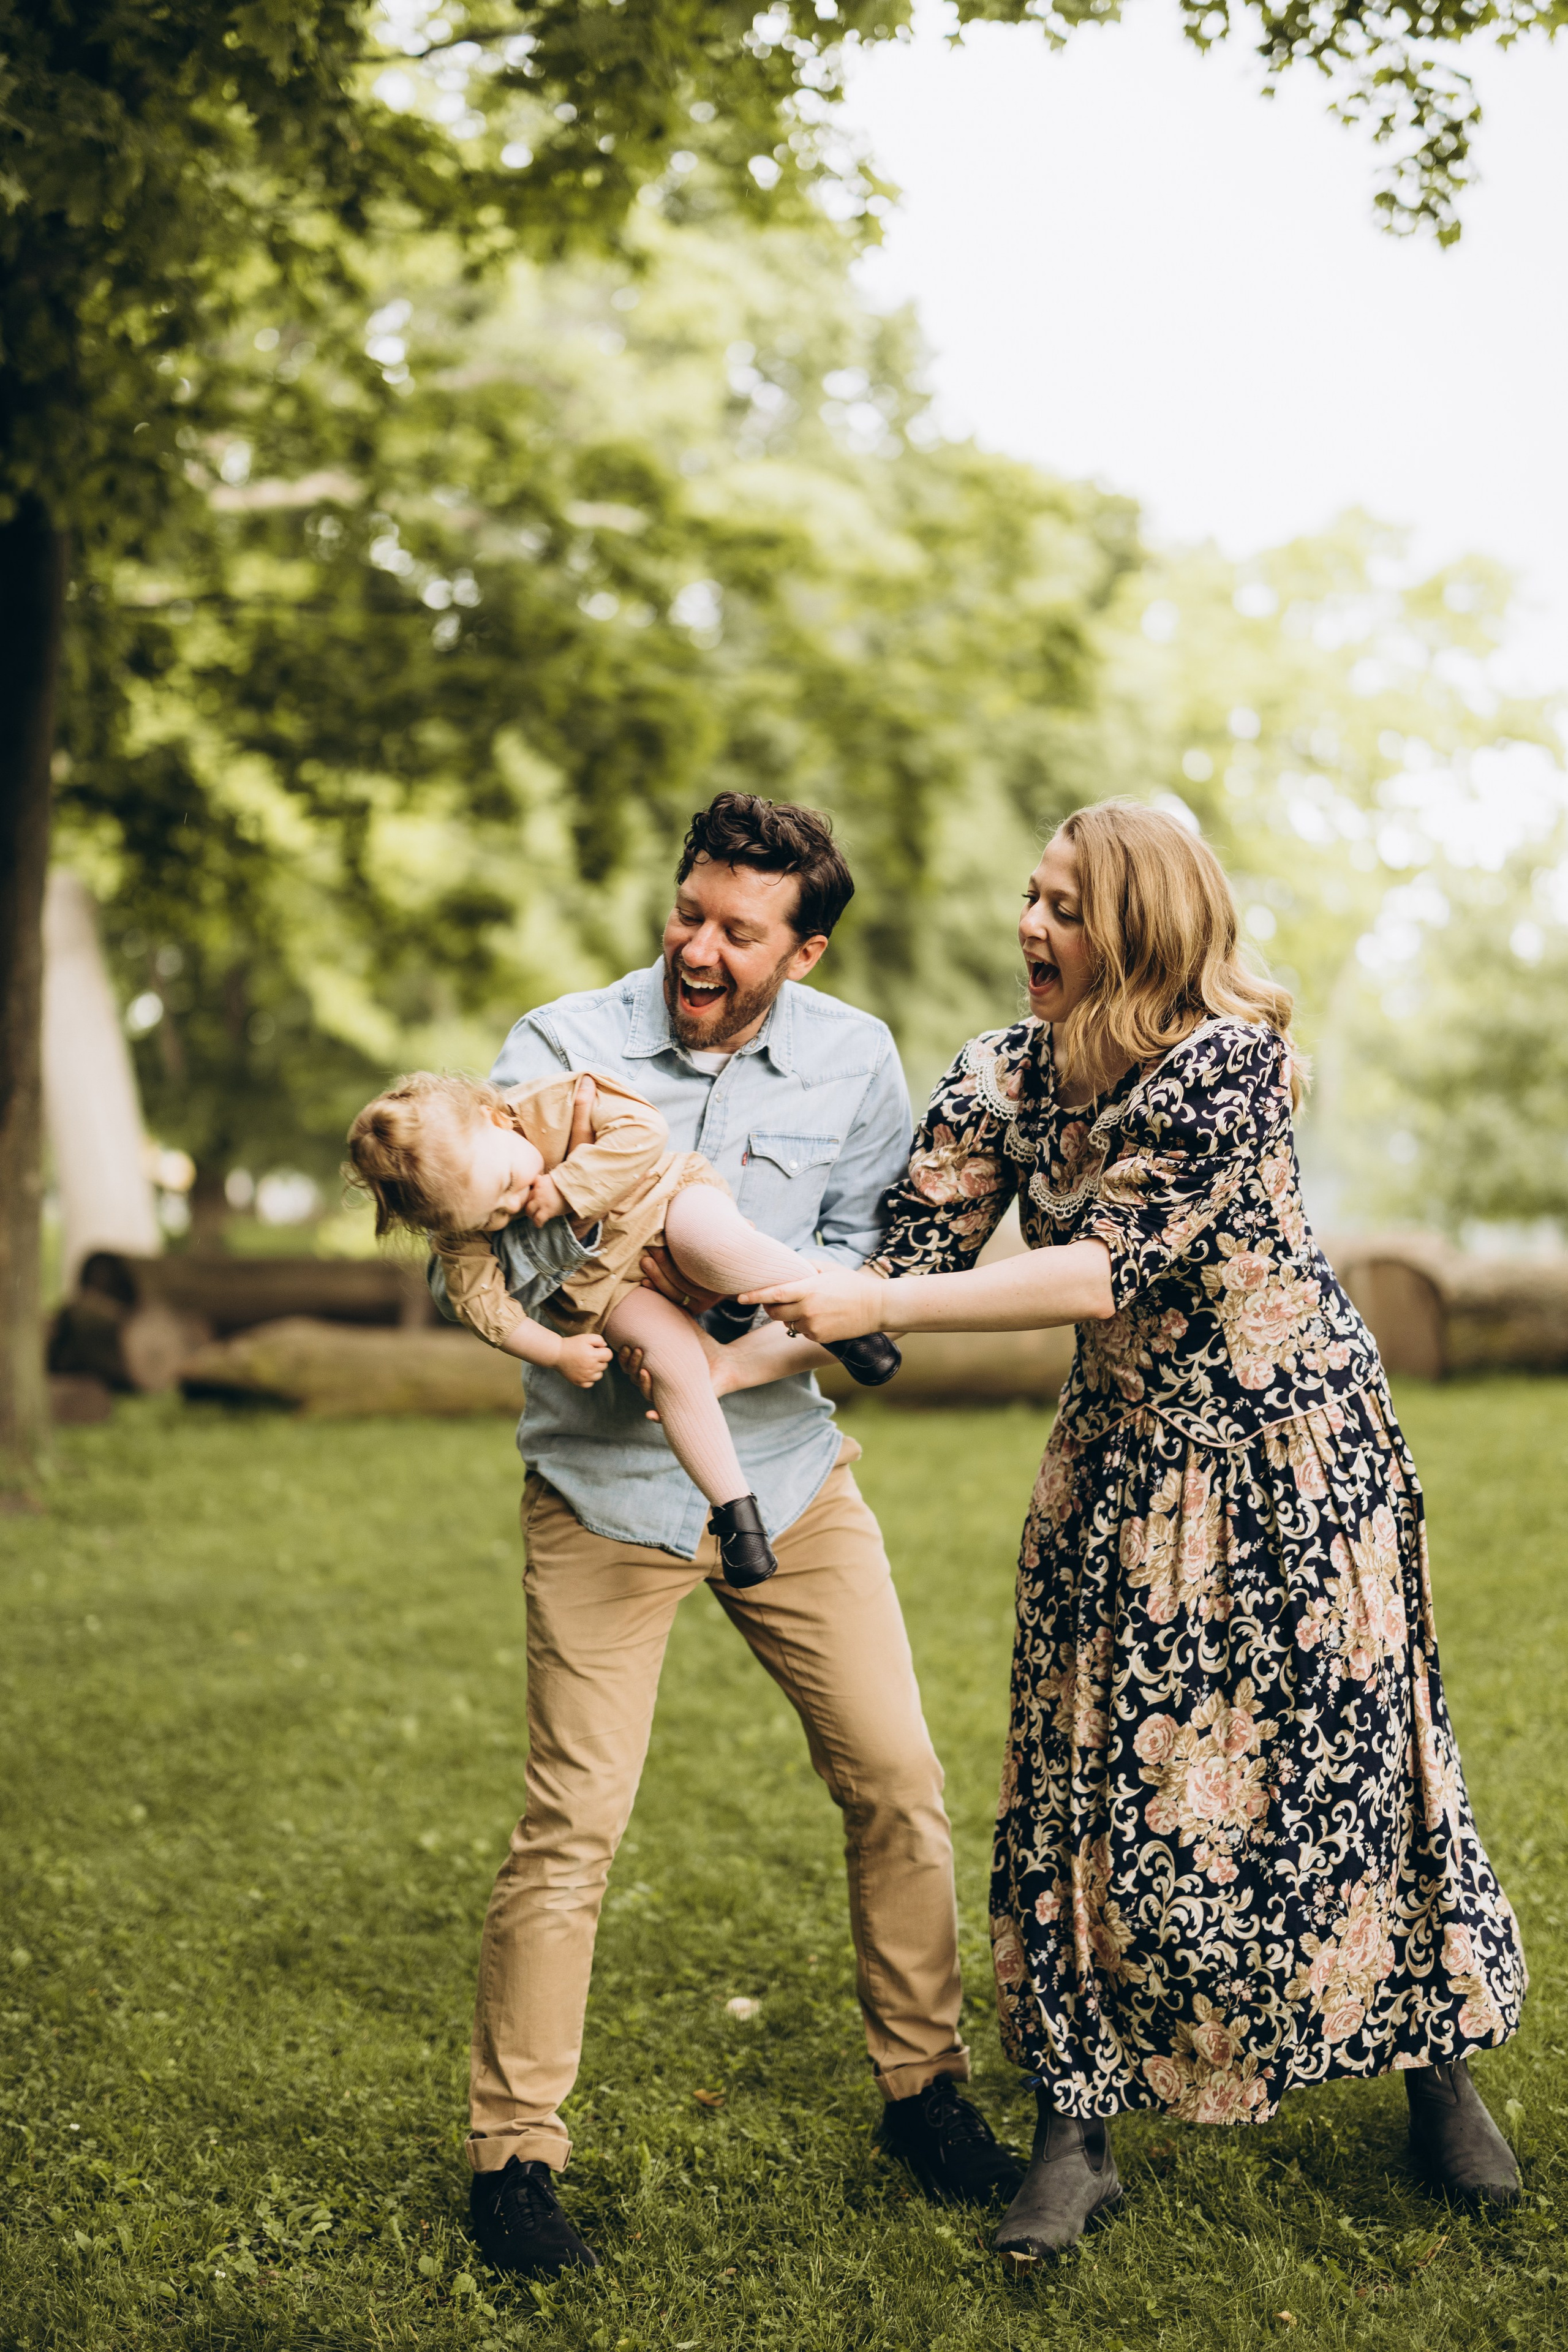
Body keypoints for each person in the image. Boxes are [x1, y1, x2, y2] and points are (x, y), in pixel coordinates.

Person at [745, 799, 1528, 2260]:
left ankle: (1435, 2069)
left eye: (1062, 904)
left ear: (1139, 926)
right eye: (1027, 896)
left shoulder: (1228, 1067)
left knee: (1352, 1756)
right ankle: (1072, 2124)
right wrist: (696, 1281)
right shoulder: (1000, 1073)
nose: (1027, 927)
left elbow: (1104, 1269)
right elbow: (889, 1260)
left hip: (1294, 1463)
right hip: (1115, 1472)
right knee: (1084, 1783)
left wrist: (878, 1306)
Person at [440, 793, 1023, 2280]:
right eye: (687, 911)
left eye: (736, 929)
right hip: (598, 1494)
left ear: (802, 946)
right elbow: (518, 1250)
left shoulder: (855, 1059)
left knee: (897, 1776)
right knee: (571, 1823)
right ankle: (513, 2154)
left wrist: (708, 1358)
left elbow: (848, 1274)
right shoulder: (556, 1042)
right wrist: (653, 1341)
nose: (696, 946)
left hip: (788, 1468)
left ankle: (925, 2092)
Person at [345, 1066, 899, 1588]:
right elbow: (483, 1309)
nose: (514, 1206)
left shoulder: (548, 1102)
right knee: (672, 1367)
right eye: (492, 1217)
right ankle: (737, 1517)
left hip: (665, 1199)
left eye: (511, 1182)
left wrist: (568, 1189)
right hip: (612, 1289)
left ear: (492, 1119)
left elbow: (644, 1129)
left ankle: (846, 1326)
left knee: (714, 1246)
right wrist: (555, 1353)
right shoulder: (456, 1226)